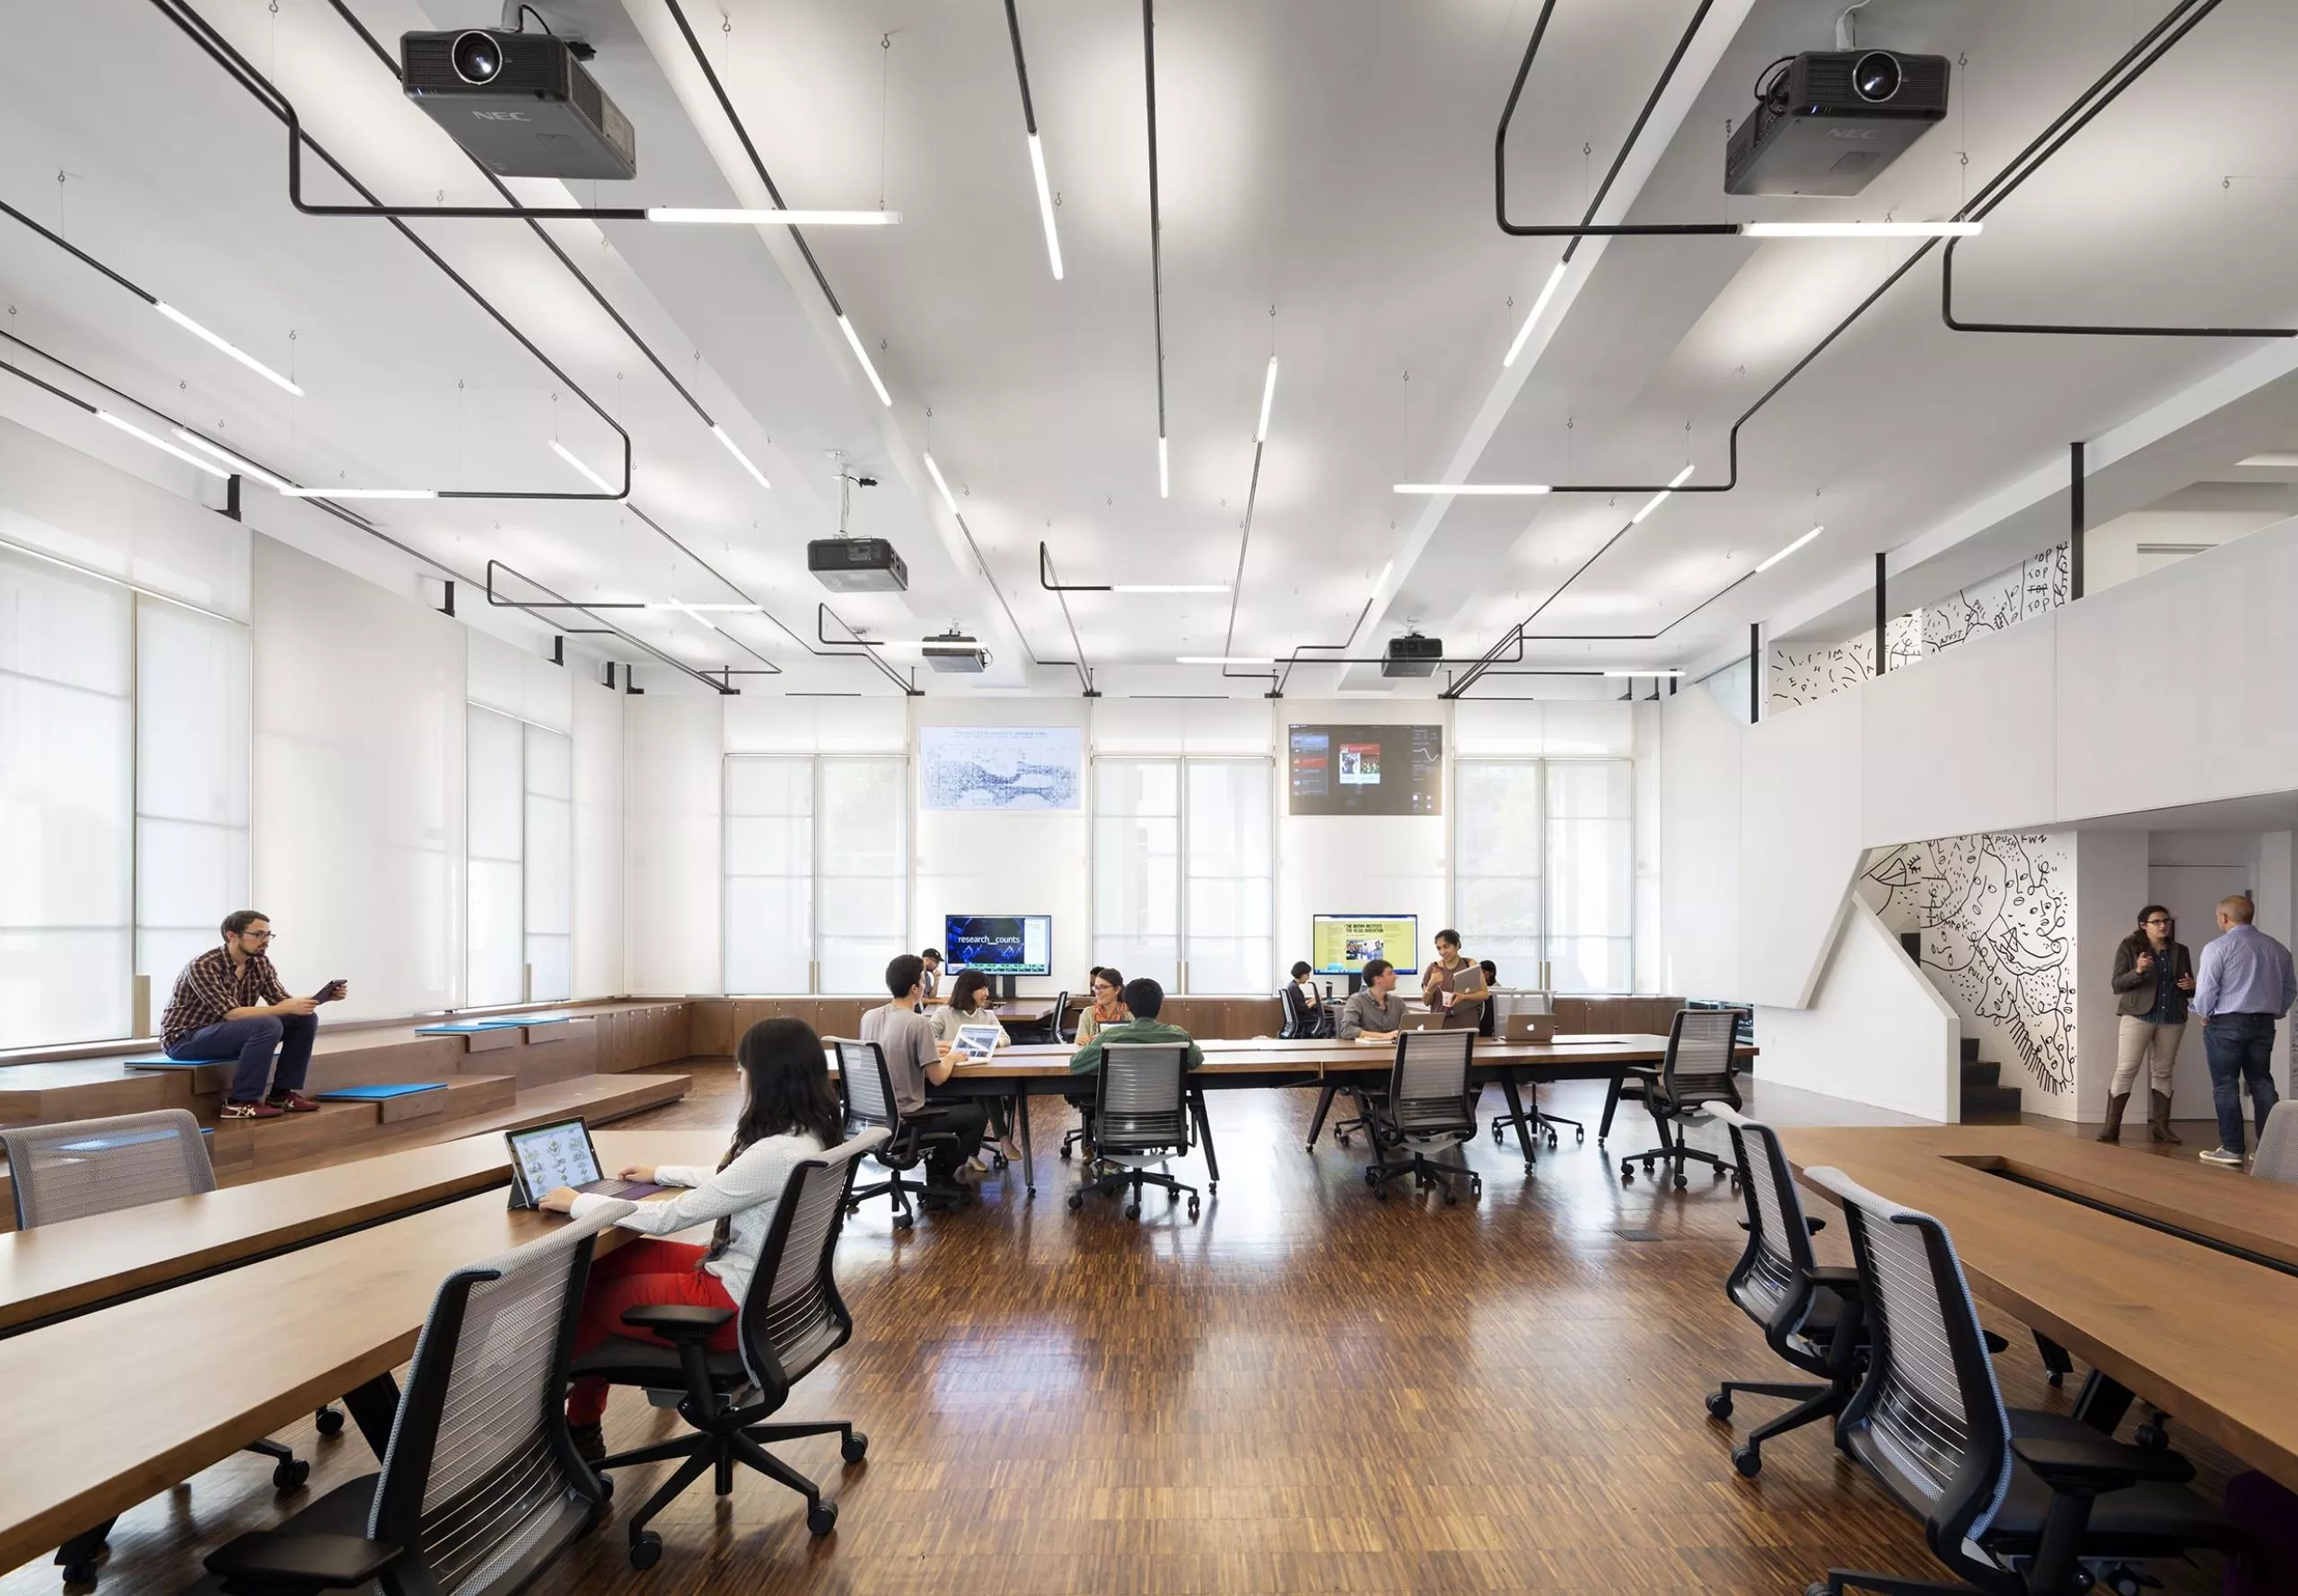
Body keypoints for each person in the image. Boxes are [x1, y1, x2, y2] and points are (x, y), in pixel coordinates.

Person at [540, 1016, 843, 1461]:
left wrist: (578, 1203)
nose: (740, 1078)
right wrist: (660, 1172)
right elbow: (733, 1181)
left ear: (767, 1078)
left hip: (730, 1306)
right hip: (772, 1297)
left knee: (592, 1300)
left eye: (743, 1069)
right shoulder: (807, 1137)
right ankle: (577, 1420)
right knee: (605, 1263)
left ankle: (577, 1432)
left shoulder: (773, 1154)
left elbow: (668, 1218)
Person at [161, 910, 346, 1120]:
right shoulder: (204, 965)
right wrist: (285, 1009)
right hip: (185, 1039)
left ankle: (281, 1094)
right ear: (232, 936)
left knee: (304, 1019)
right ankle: (240, 1102)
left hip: (225, 1033)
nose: (265, 941)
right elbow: (232, 1014)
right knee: (267, 1024)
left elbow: (282, 1002)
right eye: (258, 934)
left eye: (268, 935)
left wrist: (320, 999)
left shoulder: (260, 963)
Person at [862, 953, 989, 1189]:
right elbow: (938, 1077)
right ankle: (940, 1180)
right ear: (915, 988)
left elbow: (891, 1051)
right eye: (923, 980)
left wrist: (932, 1047)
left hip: (874, 1117)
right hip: (906, 1118)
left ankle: (936, 1178)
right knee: (977, 1115)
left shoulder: (870, 1017)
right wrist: (950, 1057)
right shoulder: (917, 1022)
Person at [2191, 894, 2298, 1166]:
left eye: (2218, 916)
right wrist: (2277, 1011)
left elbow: (2206, 990)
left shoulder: (2217, 947)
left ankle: (2232, 1148)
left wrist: (2203, 1013)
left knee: (2225, 1085)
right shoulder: (2278, 949)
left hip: (2226, 1023)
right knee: (2262, 1083)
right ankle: (2268, 1151)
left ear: (2224, 918)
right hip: (2263, 1023)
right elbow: (2289, 990)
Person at [2102, 905, 2194, 1144]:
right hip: (2137, 1015)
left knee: (2163, 1071)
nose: (2163, 925)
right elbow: (2117, 984)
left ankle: (2161, 1128)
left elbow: (2188, 985)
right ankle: (2111, 1128)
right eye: (2157, 922)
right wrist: (2139, 970)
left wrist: (2191, 986)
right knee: (2126, 1069)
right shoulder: (2129, 947)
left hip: (2172, 1017)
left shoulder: (2180, 951)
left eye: (2166, 921)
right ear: (2144, 925)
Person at [1067, 977, 1204, 1075]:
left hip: (1118, 1111)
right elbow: (1196, 1059)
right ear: (1160, 1005)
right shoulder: (1178, 1035)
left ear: (1127, 1006)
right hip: (1166, 1111)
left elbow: (1076, 1064)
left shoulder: (1109, 1037)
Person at [1421, 928, 1483, 1031]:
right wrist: (1430, 986)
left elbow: (1484, 994)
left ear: (1457, 945)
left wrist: (1463, 997)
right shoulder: (1433, 968)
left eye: (1446, 946)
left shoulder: (1470, 964)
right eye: (1439, 948)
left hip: (1467, 1024)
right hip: (1440, 1024)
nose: (1442, 952)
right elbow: (1426, 1002)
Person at [1338, 958, 1410, 1041]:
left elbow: (1409, 1027)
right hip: (1365, 1051)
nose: (1396, 977)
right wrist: (1383, 1036)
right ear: (1377, 979)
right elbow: (1347, 1030)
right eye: (1390, 974)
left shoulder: (1398, 1002)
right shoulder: (1357, 1001)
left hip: (1393, 1050)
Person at [930, 969, 1002, 1045]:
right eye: (983, 989)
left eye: (987, 989)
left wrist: (983, 1043)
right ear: (968, 990)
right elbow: (926, 1040)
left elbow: (1005, 1038)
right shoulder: (943, 1014)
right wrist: (953, 1044)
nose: (987, 994)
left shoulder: (988, 1016)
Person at [1074, 967, 1127, 1045]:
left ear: (1117, 990)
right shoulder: (1088, 1013)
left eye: (1103, 987)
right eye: (1096, 987)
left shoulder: (1129, 1012)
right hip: (1093, 1056)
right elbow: (1079, 1043)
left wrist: (1096, 1040)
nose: (1098, 992)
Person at [1280, 960, 1326, 1039]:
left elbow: (1298, 1004)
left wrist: (1312, 1000)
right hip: (1303, 1018)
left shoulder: (1291, 986)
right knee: (1324, 1019)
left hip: (1298, 1018)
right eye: (1307, 974)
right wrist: (1315, 1001)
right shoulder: (1294, 988)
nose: (1308, 977)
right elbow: (1302, 1009)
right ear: (1301, 974)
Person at [1477, 960, 1500, 1040]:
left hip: (1490, 1022)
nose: (1481, 975)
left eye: (1483, 972)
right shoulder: (1479, 987)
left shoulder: (1496, 987)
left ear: (1491, 973)